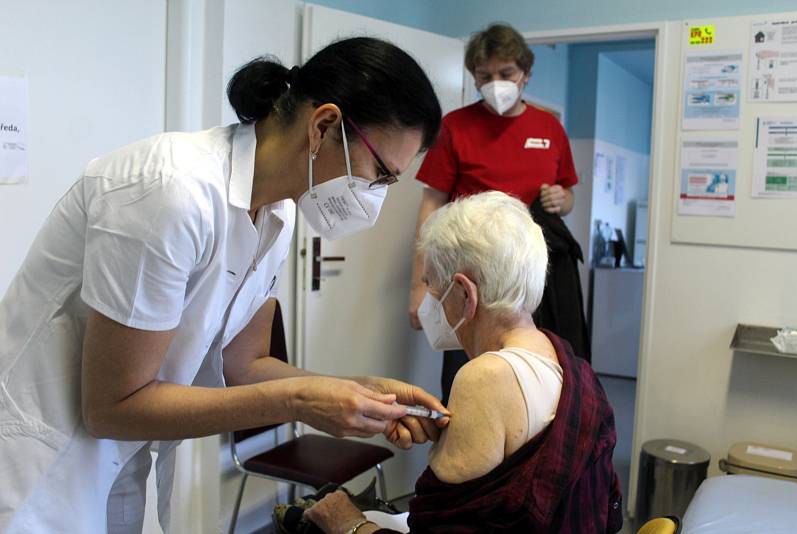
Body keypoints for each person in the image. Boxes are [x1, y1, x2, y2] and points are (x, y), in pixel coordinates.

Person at [0, 37, 449, 533]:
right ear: (324, 125)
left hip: (116, 461)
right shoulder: (171, 191)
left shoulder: (278, 213)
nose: (375, 196)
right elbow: (112, 405)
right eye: (379, 174)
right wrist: (302, 402)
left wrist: (351, 393)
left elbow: (243, 363)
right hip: (36, 463)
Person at [307, 192, 622, 534]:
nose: (429, 304)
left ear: (463, 293)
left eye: (432, 286)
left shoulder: (484, 377)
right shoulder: (566, 358)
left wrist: (349, 524)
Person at [407, 23, 588, 405]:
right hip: (468, 276)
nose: (496, 83)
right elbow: (431, 206)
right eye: (484, 76)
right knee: (466, 381)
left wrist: (562, 199)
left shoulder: (549, 128)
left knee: (534, 378)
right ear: (473, 76)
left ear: (525, 74)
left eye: (506, 74)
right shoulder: (454, 127)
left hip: (532, 278)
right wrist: (419, 286)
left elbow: (567, 195)